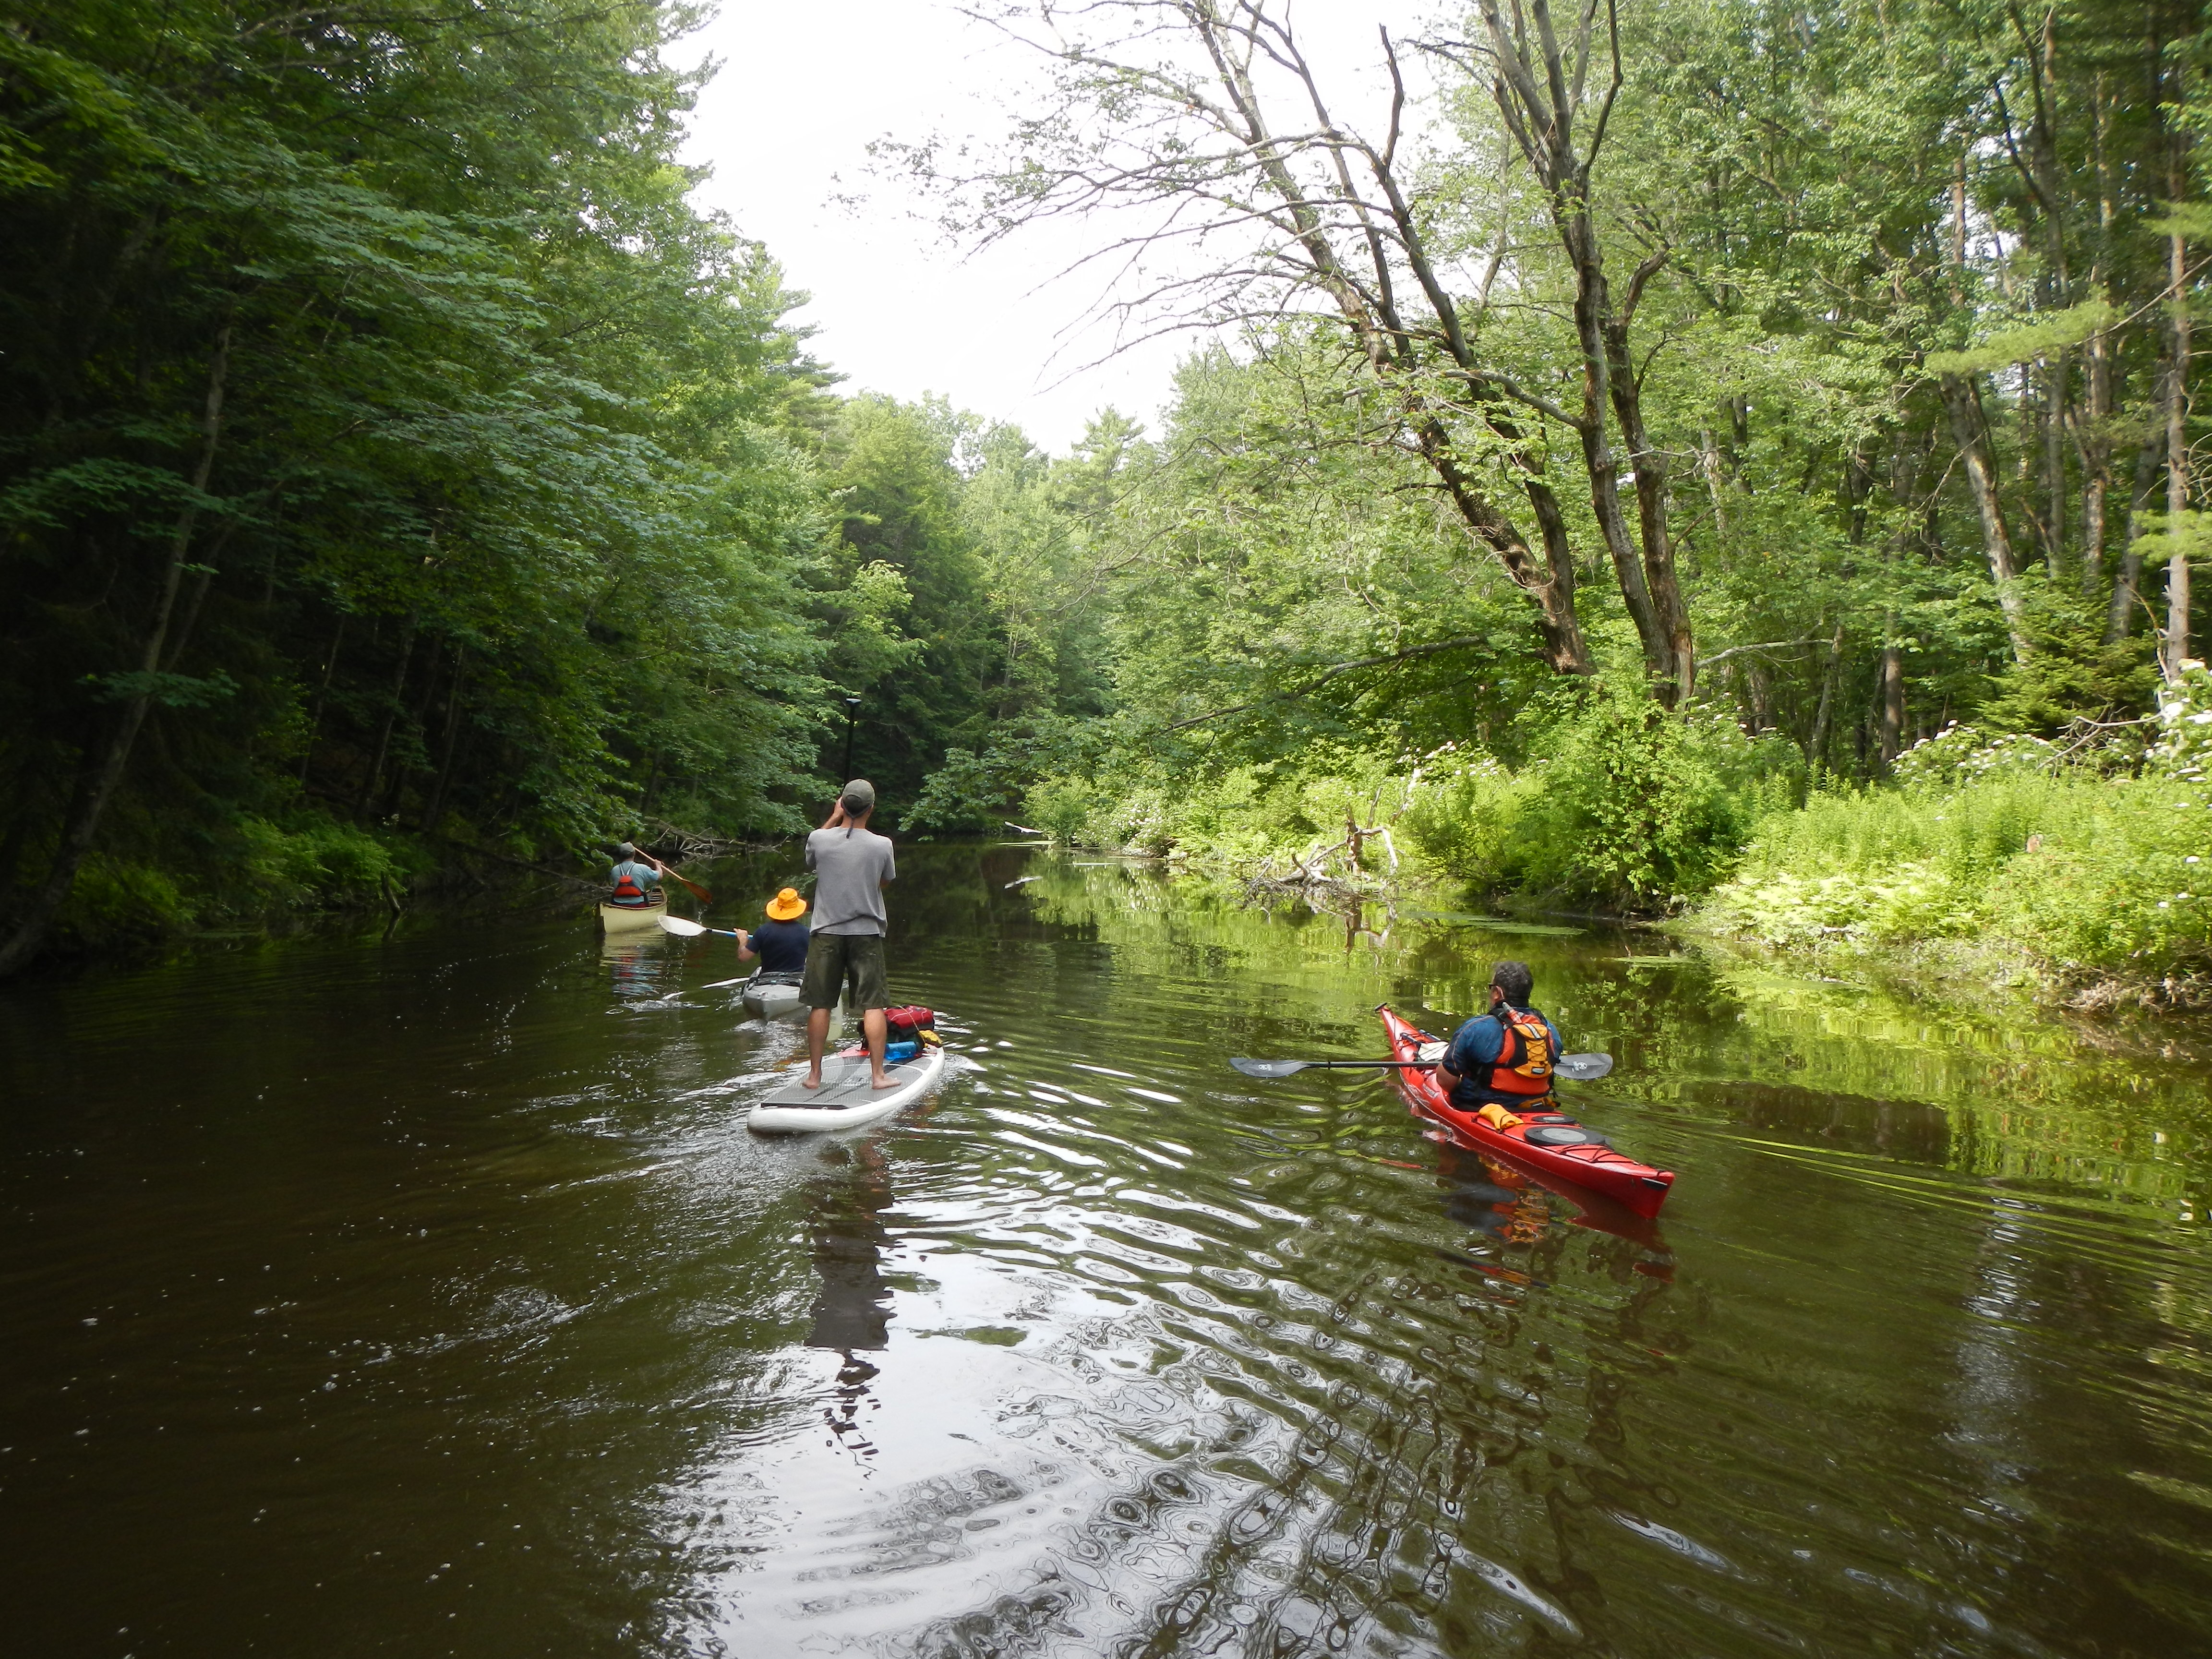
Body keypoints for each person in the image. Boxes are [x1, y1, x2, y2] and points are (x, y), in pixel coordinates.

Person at [799, 780, 898, 1091]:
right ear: (871, 808)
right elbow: (885, 882)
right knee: (873, 1005)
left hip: (826, 934)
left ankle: (815, 1076)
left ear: (842, 804)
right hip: (866, 934)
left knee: (820, 1005)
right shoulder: (882, 845)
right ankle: (878, 1076)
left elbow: (811, 860)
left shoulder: (819, 839)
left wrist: (833, 817)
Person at [1435, 961, 1563, 1121]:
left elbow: (1445, 1081)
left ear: (1497, 992)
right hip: (1537, 1109)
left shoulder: (1475, 1028)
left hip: (1478, 1109)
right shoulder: (1550, 1030)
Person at [736, 887, 811, 975]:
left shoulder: (763, 931)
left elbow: (743, 957)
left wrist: (743, 940)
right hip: (796, 979)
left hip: (768, 977)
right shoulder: (806, 933)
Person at [606, 842, 663, 908]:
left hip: (618, 905)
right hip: (639, 905)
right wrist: (658, 865)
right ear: (634, 854)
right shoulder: (642, 868)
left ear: (621, 855)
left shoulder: (614, 870)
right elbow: (659, 876)